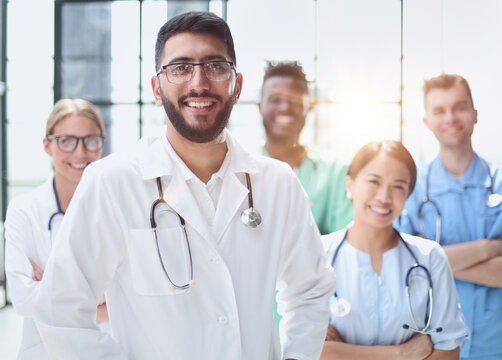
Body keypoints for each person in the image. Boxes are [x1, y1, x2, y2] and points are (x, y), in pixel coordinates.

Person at [33, 12, 334, 360]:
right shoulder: (111, 182)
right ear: (157, 90)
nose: (199, 82)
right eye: (179, 68)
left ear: (236, 85)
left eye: (215, 66)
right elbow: (59, 310)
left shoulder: (278, 184)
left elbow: (310, 290)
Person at [322, 140, 468, 360]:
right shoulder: (319, 255)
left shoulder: (429, 257)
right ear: (349, 185)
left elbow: (448, 352)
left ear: (408, 194)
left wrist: (344, 353)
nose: (384, 197)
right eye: (374, 181)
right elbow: (308, 350)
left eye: (398, 186)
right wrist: (403, 353)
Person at [395, 73, 502, 360]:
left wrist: (430, 259)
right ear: (427, 121)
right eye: (439, 110)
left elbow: (417, 264)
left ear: (475, 114)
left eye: (460, 107)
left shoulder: (499, 182)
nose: (451, 117)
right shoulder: (412, 189)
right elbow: (400, 267)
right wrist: (489, 249)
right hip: (435, 349)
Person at [5, 98, 108, 360]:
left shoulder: (114, 208)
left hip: (107, 348)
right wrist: (99, 298)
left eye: (90, 140)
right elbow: (23, 301)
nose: (80, 153)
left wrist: (52, 288)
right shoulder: (24, 210)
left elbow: (134, 295)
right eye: (67, 141)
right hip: (43, 352)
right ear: (47, 145)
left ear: (101, 144)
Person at [258, 60, 352, 235]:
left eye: (294, 101)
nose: (285, 107)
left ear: (308, 107)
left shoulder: (335, 173)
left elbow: (342, 240)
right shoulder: (237, 168)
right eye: (275, 99)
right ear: (260, 106)